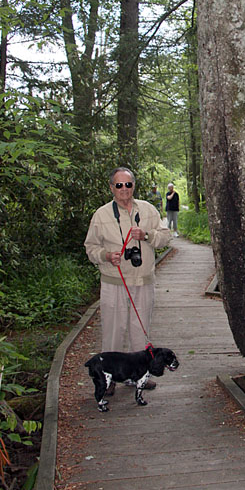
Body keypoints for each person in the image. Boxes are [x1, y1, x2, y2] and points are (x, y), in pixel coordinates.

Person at [84, 167, 171, 392]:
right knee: (113, 330)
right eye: (119, 185)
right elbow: (91, 247)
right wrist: (106, 256)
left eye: (128, 184)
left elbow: (165, 237)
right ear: (111, 187)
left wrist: (147, 235)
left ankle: (139, 376)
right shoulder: (101, 215)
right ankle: (108, 378)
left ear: (134, 186)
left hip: (143, 281)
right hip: (114, 282)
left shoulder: (149, 210)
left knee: (139, 331)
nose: (124, 189)